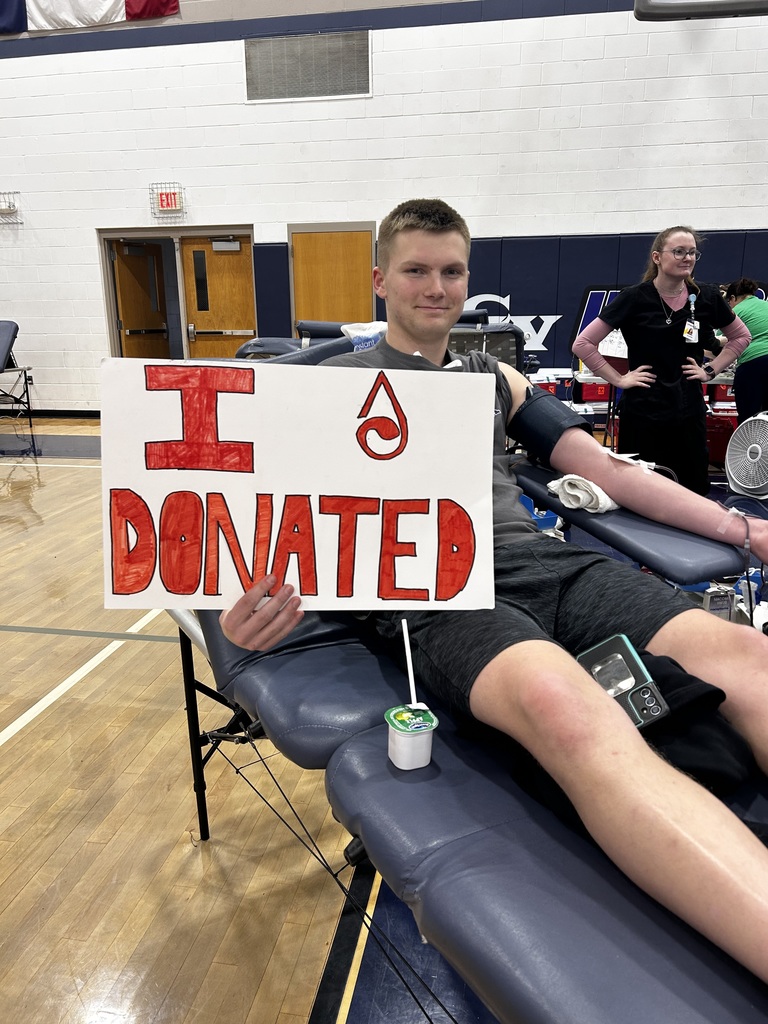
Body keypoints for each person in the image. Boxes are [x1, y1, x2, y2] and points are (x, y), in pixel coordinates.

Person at [220, 199, 768, 986]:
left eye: (451, 270)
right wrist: (250, 601)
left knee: (744, 653)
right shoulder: (328, 389)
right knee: (562, 706)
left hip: (544, 564)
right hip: (438, 594)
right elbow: (268, 524)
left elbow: (605, 473)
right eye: (416, 270)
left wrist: (742, 531)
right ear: (381, 279)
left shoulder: (495, 377)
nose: (435, 287)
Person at [572, 228, 751, 494]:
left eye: (692, 252)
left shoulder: (707, 297)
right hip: (643, 412)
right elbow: (583, 344)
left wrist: (710, 371)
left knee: (693, 492)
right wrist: (619, 379)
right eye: (678, 251)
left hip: (688, 411)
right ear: (657, 257)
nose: (687, 258)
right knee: (641, 492)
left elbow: (741, 337)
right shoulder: (634, 298)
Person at [724, 277, 768, 423]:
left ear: (732, 298)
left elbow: (718, 342)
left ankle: (747, 446)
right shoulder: (765, 305)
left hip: (753, 364)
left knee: (748, 419)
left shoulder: (736, 310)